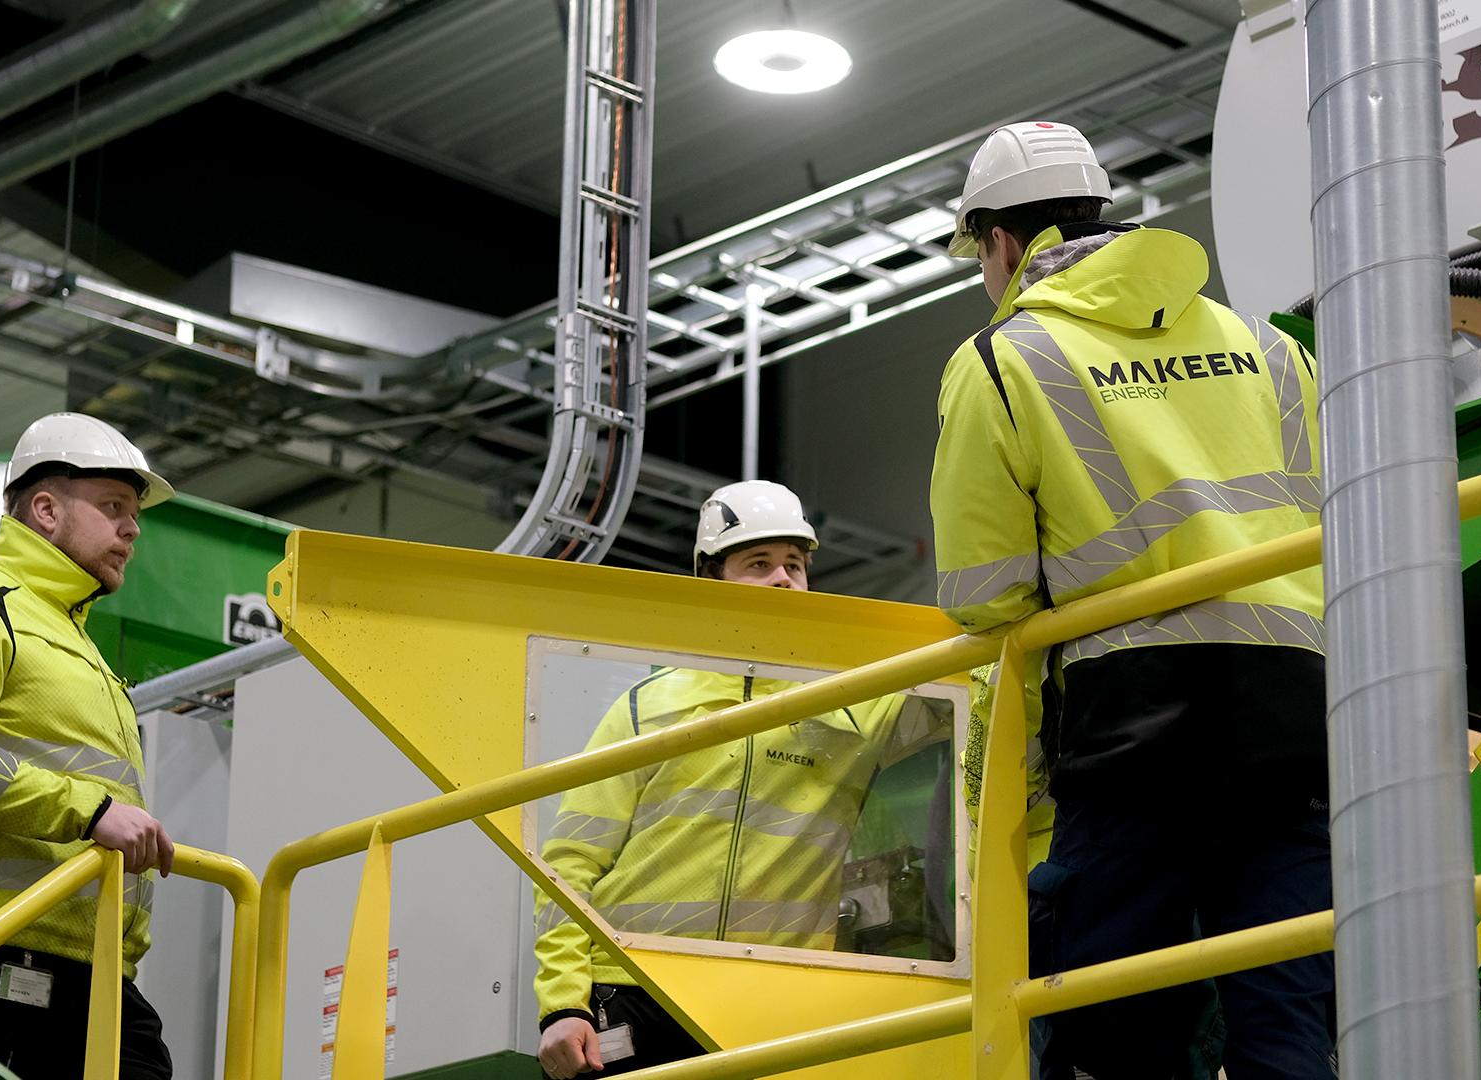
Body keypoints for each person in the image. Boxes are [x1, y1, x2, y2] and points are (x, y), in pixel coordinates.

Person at [930, 122, 1333, 1079]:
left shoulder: (1000, 360)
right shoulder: (1268, 345)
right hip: (1294, 713)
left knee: (1119, 1027)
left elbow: (984, 596)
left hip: (1133, 724)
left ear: (997, 241)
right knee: (1285, 1014)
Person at [533, 480, 949, 1079]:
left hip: (774, 999)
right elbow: (567, 866)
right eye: (759, 564)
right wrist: (564, 1007)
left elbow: (968, 685)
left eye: (795, 565)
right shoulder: (646, 706)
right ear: (712, 580)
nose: (783, 579)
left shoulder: (855, 706)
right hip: (634, 985)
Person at [0, 412, 180, 1079]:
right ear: (44, 509)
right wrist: (93, 810)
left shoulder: (87, 654)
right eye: (113, 507)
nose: (132, 529)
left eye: (134, 514)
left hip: (90, 964)